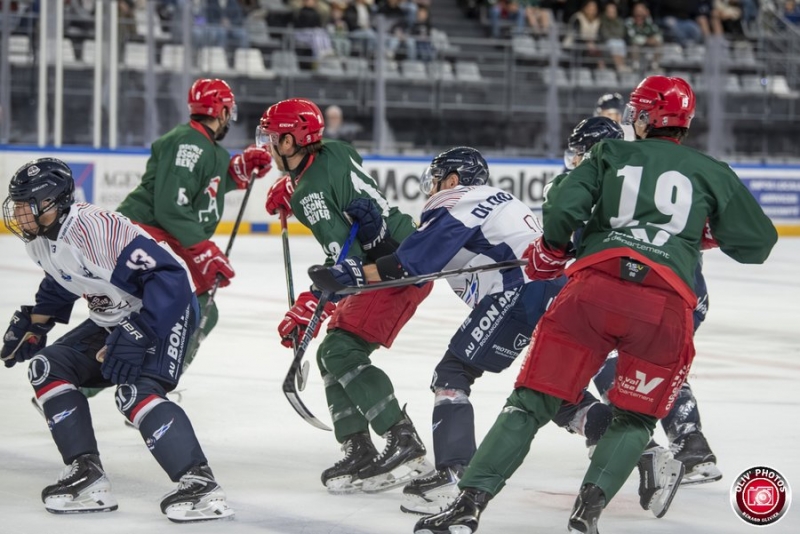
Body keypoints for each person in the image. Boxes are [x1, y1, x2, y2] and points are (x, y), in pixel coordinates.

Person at [413, 75, 777, 534]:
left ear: (643, 118)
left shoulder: (610, 153)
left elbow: (564, 204)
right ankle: (588, 513)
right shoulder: (713, 171)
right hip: (666, 306)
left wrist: (548, 250)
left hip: (593, 292)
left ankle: (468, 505)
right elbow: (758, 243)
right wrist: (702, 233)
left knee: (531, 402)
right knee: (636, 416)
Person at [1, 158, 234, 522]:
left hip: (166, 311)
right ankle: (86, 476)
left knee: (136, 394)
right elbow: (63, 278)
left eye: (28, 205)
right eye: (17, 205)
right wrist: (37, 322)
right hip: (116, 318)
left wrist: (140, 331)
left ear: (55, 203)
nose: (20, 215)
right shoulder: (42, 241)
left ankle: (201, 485)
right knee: (48, 367)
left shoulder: (94, 229)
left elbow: (170, 278)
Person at [261, 97, 433, 494]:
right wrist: (290, 185)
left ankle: (402, 437)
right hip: (402, 252)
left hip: (393, 269)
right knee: (330, 353)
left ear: (290, 143)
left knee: (340, 352)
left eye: (273, 138)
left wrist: (309, 307)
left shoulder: (309, 194)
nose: (269, 146)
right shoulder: (337, 150)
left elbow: (347, 264)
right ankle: (358, 447)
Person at [593, 89, 722, 486]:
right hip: (685, 289)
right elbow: (719, 228)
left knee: (609, 360)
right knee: (659, 362)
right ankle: (690, 446)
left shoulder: (621, 166)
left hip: (646, 287)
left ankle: (641, 447)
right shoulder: (687, 167)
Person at [116, 77, 272, 370]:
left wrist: (236, 170)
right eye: (229, 111)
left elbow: (200, 189)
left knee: (190, 309)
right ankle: (149, 382)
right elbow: (170, 205)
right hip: (148, 233)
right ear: (223, 112)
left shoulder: (200, 143)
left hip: (159, 234)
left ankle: (140, 381)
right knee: (185, 310)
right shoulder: (190, 144)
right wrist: (201, 248)